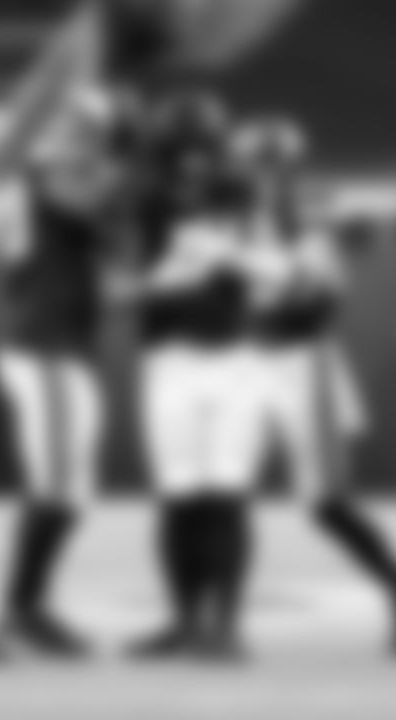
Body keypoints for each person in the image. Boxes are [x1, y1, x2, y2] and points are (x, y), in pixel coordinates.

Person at [0, 0, 131, 663]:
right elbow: (79, 190)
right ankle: (12, 617)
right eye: (80, 149)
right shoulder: (44, 186)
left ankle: (31, 609)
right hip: (45, 350)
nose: (89, 159)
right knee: (57, 488)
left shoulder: (49, 185)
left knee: (72, 495)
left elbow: (104, 229)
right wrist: (113, 148)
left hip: (64, 348)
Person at [231, 117, 396, 654]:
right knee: (225, 495)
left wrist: (272, 280)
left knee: (326, 501)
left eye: (273, 164)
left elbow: (320, 297)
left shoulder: (305, 218)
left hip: (301, 362)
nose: (264, 174)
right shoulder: (229, 216)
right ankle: (214, 617)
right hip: (244, 361)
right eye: (256, 164)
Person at [113, 94, 264, 662]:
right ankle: (185, 621)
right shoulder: (143, 199)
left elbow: (269, 269)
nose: (193, 166)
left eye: (201, 151)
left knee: (225, 493)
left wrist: (231, 253)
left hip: (230, 355)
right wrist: (164, 275)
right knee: (180, 495)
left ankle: (224, 624)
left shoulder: (241, 193)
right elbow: (122, 284)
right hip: (172, 355)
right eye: (183, 151)